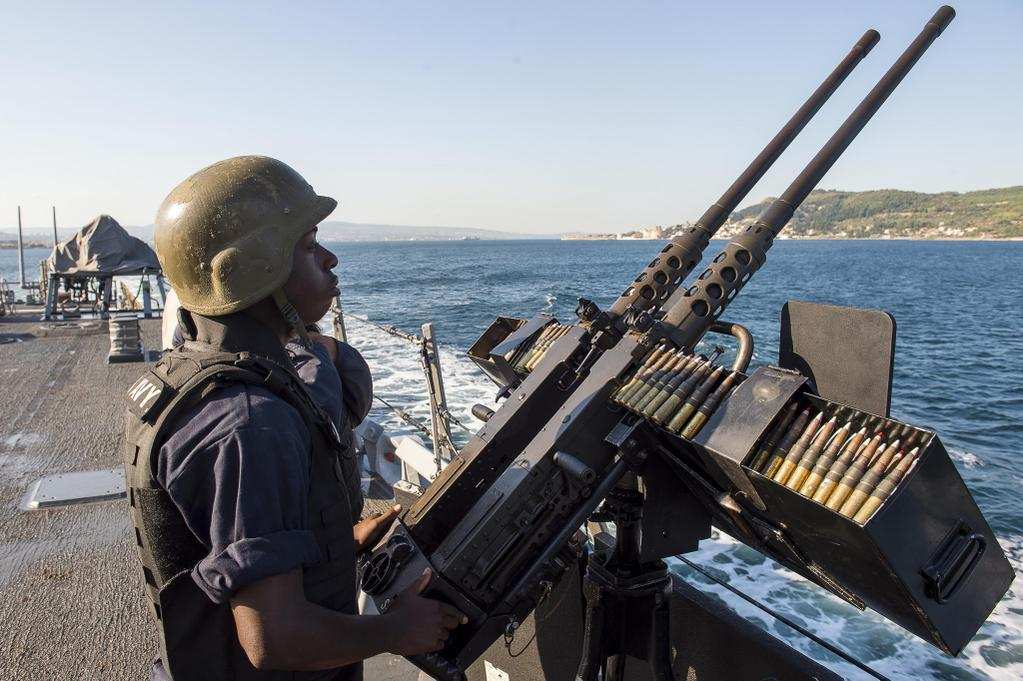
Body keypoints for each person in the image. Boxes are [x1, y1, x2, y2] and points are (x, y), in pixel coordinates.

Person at [123, 155, 465, 680]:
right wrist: (396, 630)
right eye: (308, 247)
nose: (329, 259)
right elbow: (274, 638)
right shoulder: (249, 423)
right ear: (252, 271)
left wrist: (342, 541)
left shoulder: (194, 377)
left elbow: (228, 542)